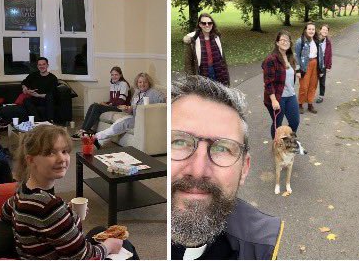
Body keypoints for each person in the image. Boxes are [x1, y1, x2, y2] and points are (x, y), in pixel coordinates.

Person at [171, 75, 283, 260]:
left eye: (222, 148)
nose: (198, 171)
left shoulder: (259, 249)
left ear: (244, 169)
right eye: (179, 141)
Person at [0, 125, 140, 260]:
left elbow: (5, 215)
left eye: (64, 151)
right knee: (125, 246)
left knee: (99, 230)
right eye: (50, 153)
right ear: (31, 160)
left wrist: (65, 215)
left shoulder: (21, 192)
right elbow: (85, 257)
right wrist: (108, 246)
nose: (62, 159)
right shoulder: (49, 206)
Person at [92, 72, 165, 147]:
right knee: (118, 122)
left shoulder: (153, 92)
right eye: (140, 82)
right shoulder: (138, 92)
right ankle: (99, 142)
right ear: (137, 83)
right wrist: (128, 109)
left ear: (149, 83)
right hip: (135, 116)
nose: (142, 84)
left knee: (122, 124)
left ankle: (96, 137)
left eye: (145, 82)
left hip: (144, 119)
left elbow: (163, 100)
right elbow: (133, 107)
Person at [72, 66, 130, 139]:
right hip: (115, 106)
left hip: (121, 107)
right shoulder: (113, 84)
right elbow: (112, 100)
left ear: (120, 75)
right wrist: (106, 103)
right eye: (112, 75)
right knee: (93, 105)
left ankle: (84, 131)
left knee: (96, 107)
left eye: (116, 74)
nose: (114, 76)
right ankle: (82, 129)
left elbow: (121, 101)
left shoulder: (124, 84)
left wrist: (107, 105)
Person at [263, 30, 301, 139]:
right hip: (277, 97)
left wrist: (298, 72)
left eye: (287, 40)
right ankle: (276, 145)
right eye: (282, 40)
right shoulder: (271, 59)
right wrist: (274, 100)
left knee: (295, 121)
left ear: (290, 43)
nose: (285, 42)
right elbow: (268, 83)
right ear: (277, 43)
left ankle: (287, 140)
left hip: (290, 95)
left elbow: (294, 70)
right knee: (277, 124)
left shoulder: (290, 57)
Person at [183, 13, 230, 86]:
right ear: (200, 24)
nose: (207, 25)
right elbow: (188, 63)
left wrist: (226, 77)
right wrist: (191, 80)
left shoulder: (216, 38)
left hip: (218, 72)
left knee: (217, 95)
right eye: (204, 23)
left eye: (209, 23)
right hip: (202, 74)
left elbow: (223, 59)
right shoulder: (193, 40)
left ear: (212, 24)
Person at [294, 22, 325, 114]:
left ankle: (310, 104)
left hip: (315, 64)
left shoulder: (317, 41)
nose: (311, 31)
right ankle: (300, 104)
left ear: (315, 31)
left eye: (313, 29)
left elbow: (320, 55)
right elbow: (296, 56)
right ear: (305, 30)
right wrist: (298, 70)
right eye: (309, 29)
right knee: (304, 86)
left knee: (313, 85)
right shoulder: (300, 41)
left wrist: (321, 69)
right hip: (305, 65)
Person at [21, 57, 58, 123]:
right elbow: (24, 83)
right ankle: (37, 121)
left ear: (47, 65)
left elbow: (52, 93)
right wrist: (25, 88)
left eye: (43, 64)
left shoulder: (53, 78)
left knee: (49, 97)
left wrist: (38, 95)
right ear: (37, 66)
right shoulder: (33, 75)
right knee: (26, 100)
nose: (42, 66)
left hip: (46, 99)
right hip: (35, 99)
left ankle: (50, 121)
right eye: (39, 65)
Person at [316, 24, 333, 104]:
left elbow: (329, 54)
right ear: (320, 30)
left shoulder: (328, 42)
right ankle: (309, 95)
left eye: (326, 30)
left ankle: (321, 96)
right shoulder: (315, 39)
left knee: (322, 81)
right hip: (315, 63)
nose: (325, 31)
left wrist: (328, 66)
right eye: (323, 29)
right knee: (313, 80)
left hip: (323, 64)